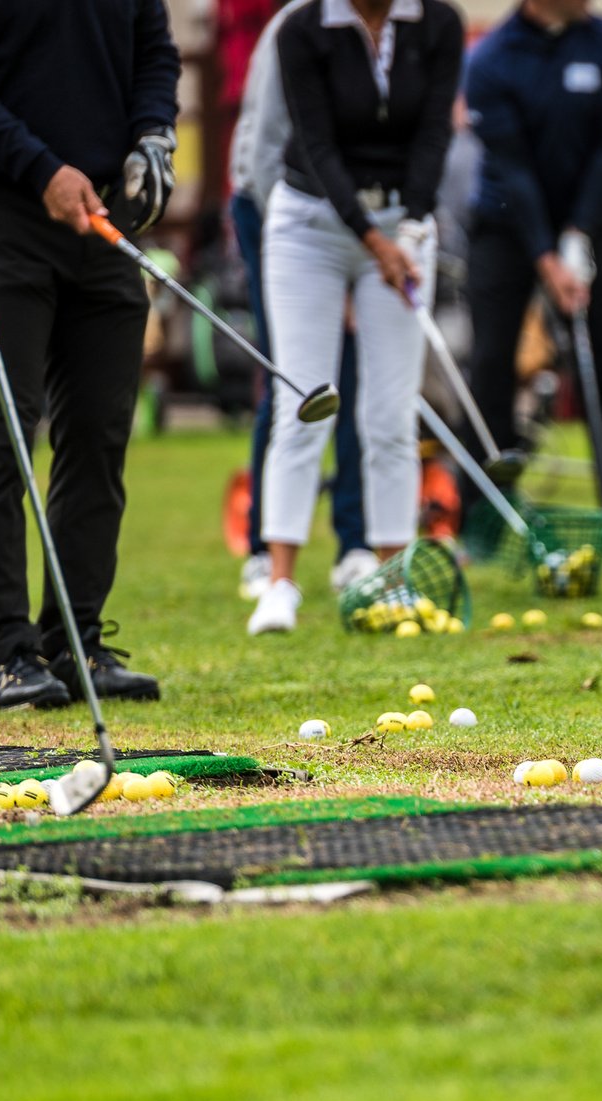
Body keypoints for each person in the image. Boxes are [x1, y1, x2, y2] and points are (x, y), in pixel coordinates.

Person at [0, 0, 178, 709]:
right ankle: (9, 652)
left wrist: (152, 135)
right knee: (4, 433)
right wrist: (41, 167)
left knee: (99, 432)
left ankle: (74, 638)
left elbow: (155, 54)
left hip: (100, 214)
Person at [246, 0, 465, 636]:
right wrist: (376, 243)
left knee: (391, 413)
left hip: (402, 224)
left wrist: (418, 223)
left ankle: (392, 579)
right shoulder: (303, 28)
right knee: (306, 401)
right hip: (308, 225)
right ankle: (279, 581)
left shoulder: (438, 24)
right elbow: (315, 144)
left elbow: (432, 133)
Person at [464, 0, 602, 552]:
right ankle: (484, 518)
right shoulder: (493, 58)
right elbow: (514, 170)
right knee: (491, 366)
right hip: (504, 225)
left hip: (592, 218)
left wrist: (577, 234)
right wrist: (548, 258)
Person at [227, 0, 374, 603]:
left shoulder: (396, 28)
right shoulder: (298, 25)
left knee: (356, 376)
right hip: (275, 211)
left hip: (353, 218)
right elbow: (265, 154)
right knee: (296, 381)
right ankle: (265, 552)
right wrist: (313, 266)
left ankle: (355, 546)